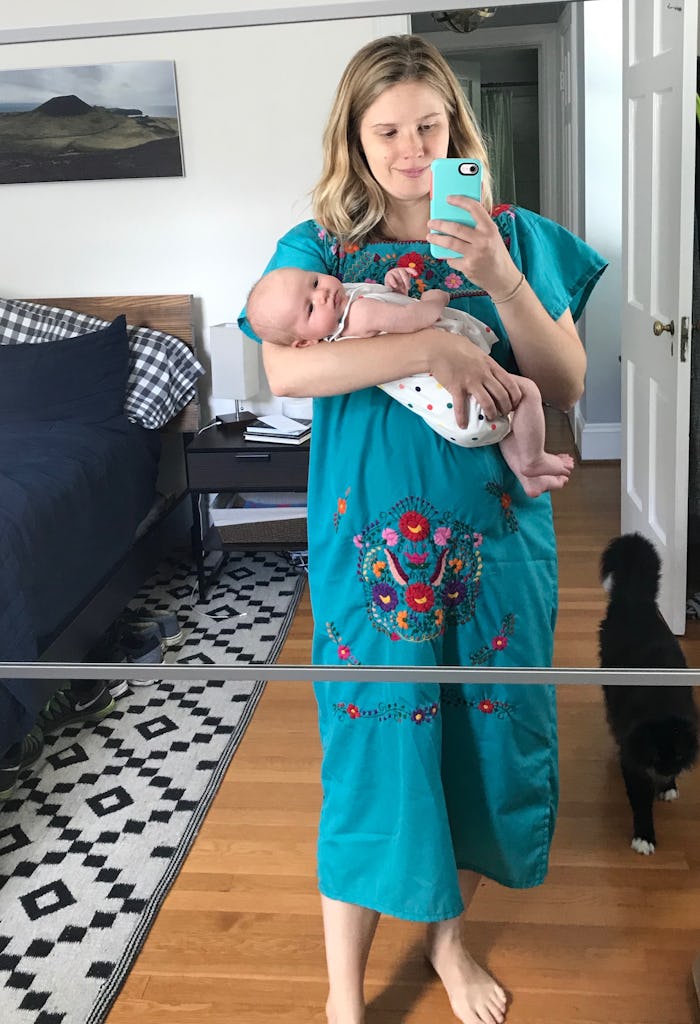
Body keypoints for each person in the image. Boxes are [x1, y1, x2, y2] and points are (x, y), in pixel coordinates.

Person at [239, 34, 607, 1024]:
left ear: (456, 129)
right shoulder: (321, 247)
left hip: (497, 552)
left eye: (428, 126)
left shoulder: (512, 231)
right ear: (355, 141)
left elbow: (567, 383)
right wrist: (431, 340)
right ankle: (345, 995)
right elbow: (285, 371)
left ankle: (447, 945)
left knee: (482, 750)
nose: (410, 150)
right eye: (388, 130)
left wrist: (496, 277)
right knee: (371, 758)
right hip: (372, 558)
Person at [246, 265, 574, 496]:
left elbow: (389, 306)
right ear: (304, 343)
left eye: (314, 282)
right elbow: (417, 317)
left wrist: (392, 287)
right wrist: (435, 297)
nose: (322, 295)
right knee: (526, 392)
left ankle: (525, 476)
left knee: (506, 417)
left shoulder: (345, 311)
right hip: (463, 401)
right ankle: (533, 459)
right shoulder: (358, 315)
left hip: (453, 417)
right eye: (308, 309)